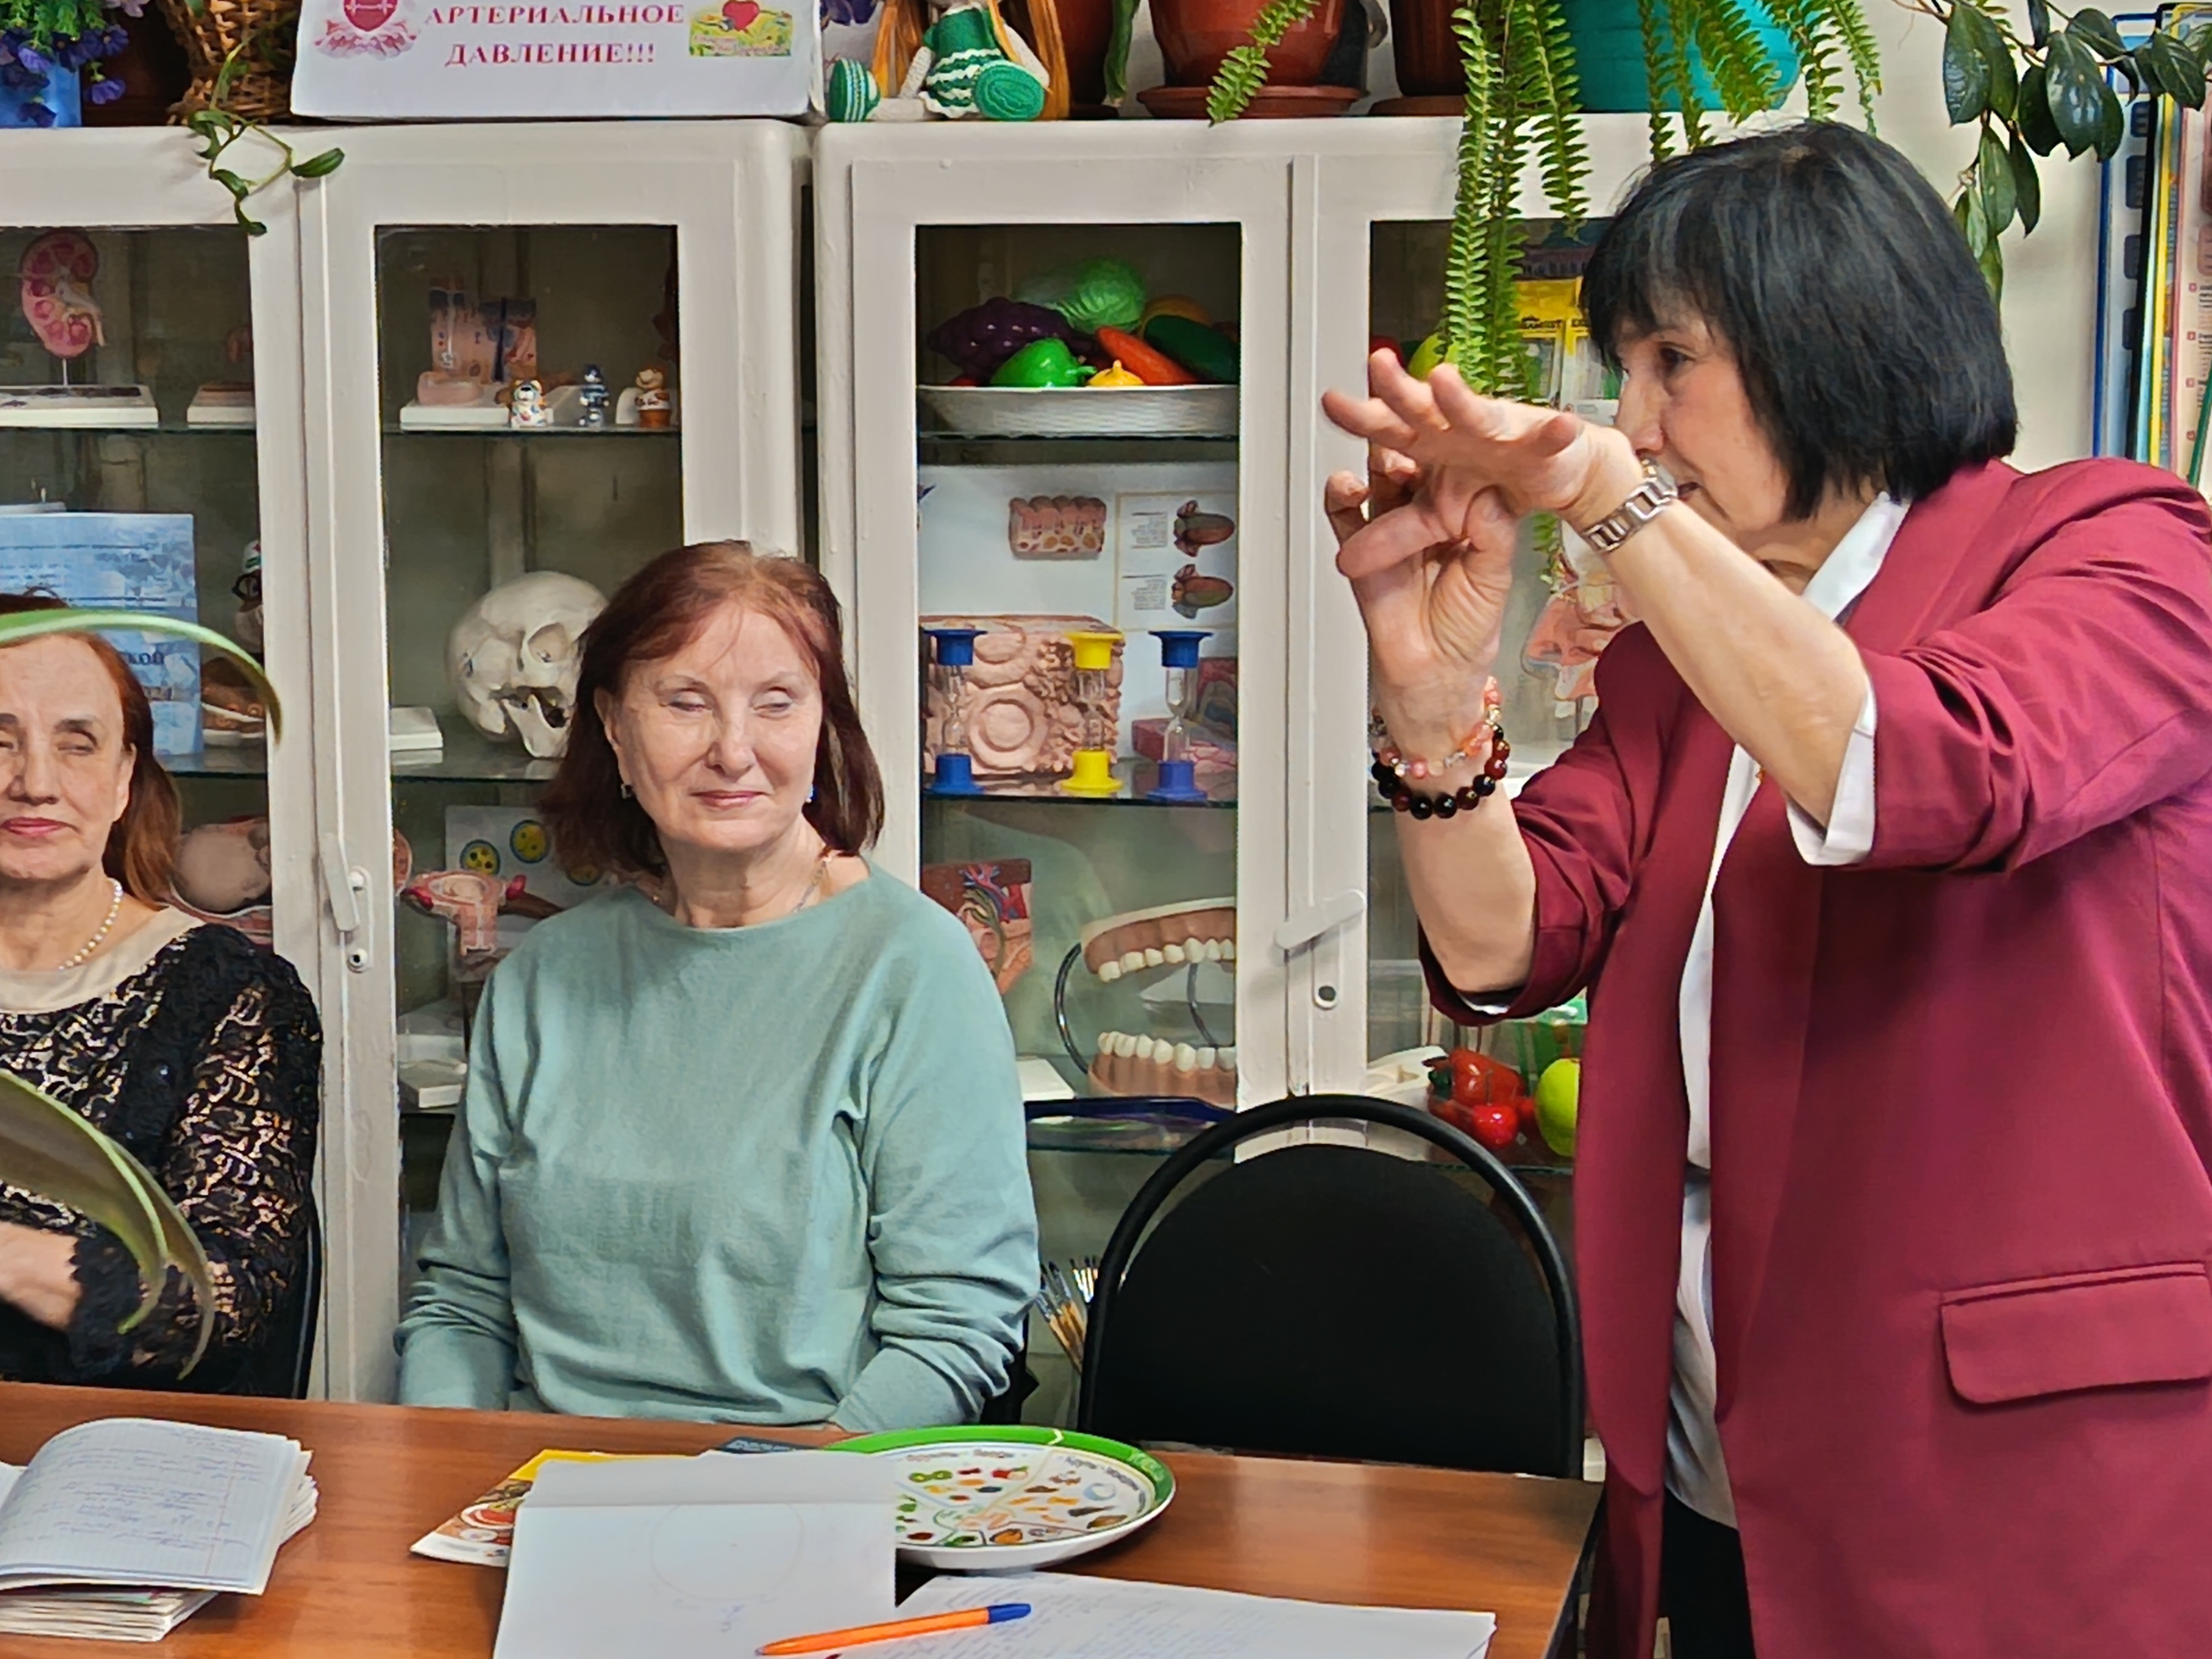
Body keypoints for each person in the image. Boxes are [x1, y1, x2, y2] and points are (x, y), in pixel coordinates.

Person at [1322, 124, 2212, 1658]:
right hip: (1718, 1453)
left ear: (1839, 341)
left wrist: (1612, 500)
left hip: (2018, 1486)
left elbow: (1922, 765)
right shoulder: (1680, 665)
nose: (1633, 417)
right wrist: (1429, 699)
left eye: (1671, 362)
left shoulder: (2116, 547)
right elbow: (1505, 938)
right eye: (1621, 371)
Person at [396, 542, 1039, 1430]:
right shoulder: (543, 976)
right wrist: (448, 1470)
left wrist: (794, 1488)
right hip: (544, 1481)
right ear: (614, 728)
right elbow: (463, 1304)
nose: (733, 751)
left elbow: (956, 1327)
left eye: (777, 703)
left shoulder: (914, 967)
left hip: (812, 1473)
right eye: (685, 702)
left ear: (822, 726)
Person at [0, 596, 321, 1391]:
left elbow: (229, 1298)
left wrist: (9, 1257)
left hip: (113, 1443)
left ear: (123, 781)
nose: (35, 782)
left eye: (77, 744)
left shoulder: (225, 993)